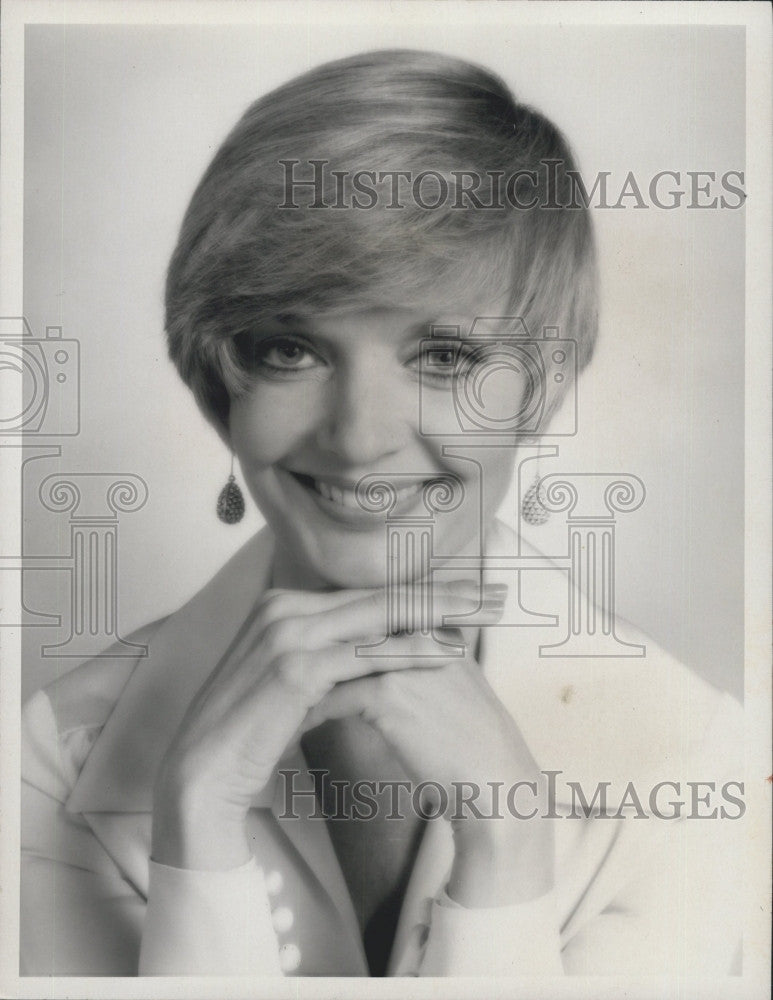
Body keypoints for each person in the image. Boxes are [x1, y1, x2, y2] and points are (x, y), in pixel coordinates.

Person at [21, 49, 744, 978]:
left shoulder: (694, 762)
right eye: (290, 349)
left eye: (443, 356)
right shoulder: (40, 768)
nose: (360, 438)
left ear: (546, 385)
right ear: (217, 387)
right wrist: (195, 828)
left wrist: (506, 861)